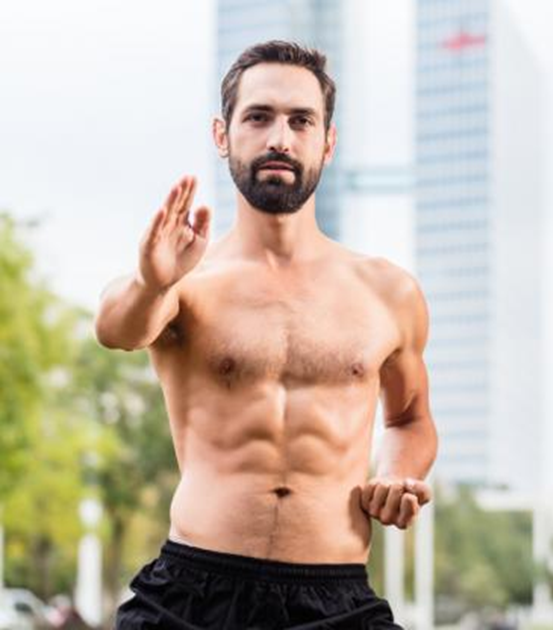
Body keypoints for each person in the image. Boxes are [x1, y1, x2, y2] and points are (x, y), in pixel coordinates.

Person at [95, 40, 437, 629]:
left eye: (301, 120)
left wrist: (397, 473)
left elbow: (408, 418)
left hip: (336, 600)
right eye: (258, 116)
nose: (280, 137)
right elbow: (117, 328)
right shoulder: (186, 281)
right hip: (192, 596)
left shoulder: (387, 291)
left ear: (327, 144)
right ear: (223, 135)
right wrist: (153, 282)